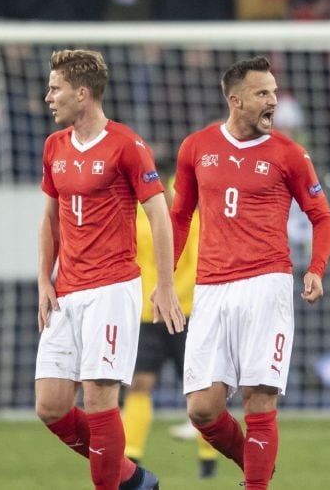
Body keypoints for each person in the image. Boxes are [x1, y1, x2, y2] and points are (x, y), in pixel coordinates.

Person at [170, 56, 330, 490]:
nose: (273, 102)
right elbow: (179, 217)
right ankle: (258, 466)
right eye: (263, 94)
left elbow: (322, 217)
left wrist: (316, 268)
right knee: (202, 409)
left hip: (268, 282)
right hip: (211, 287)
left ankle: (256, 484)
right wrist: (165, 281)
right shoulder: (196, 147)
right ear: (235, 99)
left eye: (275, 93)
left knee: (258, 398)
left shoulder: (289, 153)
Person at [34, 49, 184, 490]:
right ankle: (133, 479)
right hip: (66, 291)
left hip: (112, 289)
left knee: (100, 401)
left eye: (55, 88)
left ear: (82, 94)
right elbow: (48, 218)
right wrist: (45, 278)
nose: (48, 97)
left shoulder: (127, 145)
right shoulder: (54, 147)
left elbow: (160, 215)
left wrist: (165, 285)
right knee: (51, 406)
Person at [121, 150, 219, 478]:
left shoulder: (188, 206)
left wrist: (177, 298)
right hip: (149, 314)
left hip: (184, 311)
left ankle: (208, 459)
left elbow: (198, 257)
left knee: (199, 391)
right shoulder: (135, 209)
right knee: (139, 384)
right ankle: (130, 456)